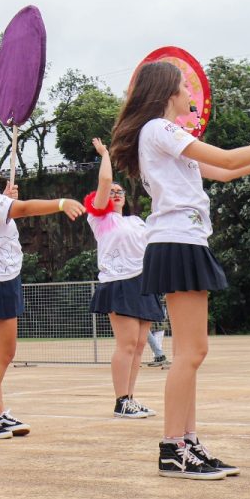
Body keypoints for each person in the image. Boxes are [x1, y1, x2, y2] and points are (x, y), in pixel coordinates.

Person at [110, 59, 250, 479]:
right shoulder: (159, 130)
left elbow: (224, 171)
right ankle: (172, 448)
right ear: (167, 93)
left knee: (190, 354)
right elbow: (225, 155)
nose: (190, 93)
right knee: (192, 352)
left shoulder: (168, 138)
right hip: (177, 241)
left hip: (185, 240)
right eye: (184, 86)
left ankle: (188, 442)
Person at [0, 152, 85, 439]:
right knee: (4, 352)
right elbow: (23, 209)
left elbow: (4, 216)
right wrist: (61, 203)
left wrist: (3, 198)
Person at [85, 138, 165, 420]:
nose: (115, 192)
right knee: (127, 344)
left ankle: (131, 397)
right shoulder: (100, 219)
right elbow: (105, 179)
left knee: (141, 345)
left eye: (120, 191)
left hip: (143, 283)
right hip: (118, 283)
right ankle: (121, 400)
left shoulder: (136, 222)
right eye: (112, 191)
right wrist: (105, 154)